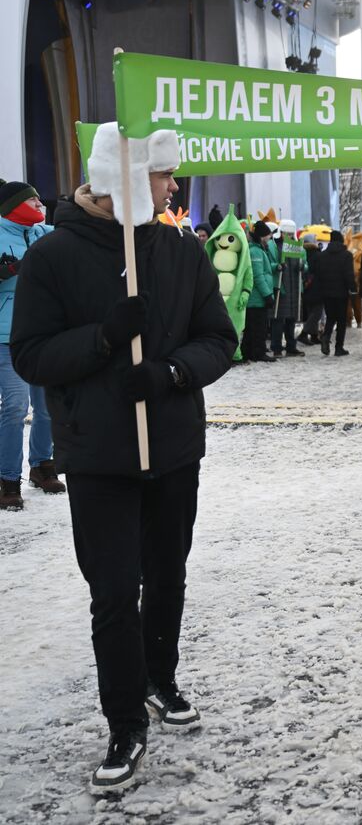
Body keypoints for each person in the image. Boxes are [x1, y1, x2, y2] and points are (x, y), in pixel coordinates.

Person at [10, 123, 237, 793]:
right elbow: (30, 353)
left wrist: (170, 372)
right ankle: (123, 719)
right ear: (126, 180)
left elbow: (218, 340)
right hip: (98, 454)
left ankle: (158, 677)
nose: (175, 186)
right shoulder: (52, 256)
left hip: (171, 447)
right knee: (113, 590)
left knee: (167, 573)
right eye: (164, 175)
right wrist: (104, 338)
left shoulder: (178, 251)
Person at [0, 181, 65, 507]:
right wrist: (9, 269)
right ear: (13, 204)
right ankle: (7, 479)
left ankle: (42, 465)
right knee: (14, 406)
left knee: (48, 405)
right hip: (6, 336)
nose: (40, 204)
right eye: (33, 199)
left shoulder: (45, 232)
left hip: (42, 332)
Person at [241, 221, 277, 363]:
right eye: (268, 235)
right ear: (262, 237)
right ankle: (258, 352)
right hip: (257, 298)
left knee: (252, 327)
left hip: (256, 298)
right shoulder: (255, 251)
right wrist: (267, 295)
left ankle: (248, 352)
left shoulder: (258, 250)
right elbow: (258, 276)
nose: (269, 238)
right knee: (258, 327)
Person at [316, 230, 355, 356]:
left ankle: (326, 337)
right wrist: (353, 288)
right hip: (341, 293)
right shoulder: (346, 255)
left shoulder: (322, 256)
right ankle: (339, 348)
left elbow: (319, 274)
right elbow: (349, 274)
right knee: (341, 320)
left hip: (326, 292)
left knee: (331, 317)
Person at [270, 219, 305, 357]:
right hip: (282, 287)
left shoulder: (297, 248)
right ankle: (276, 347)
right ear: (281, 233)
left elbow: (303, 263)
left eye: (291, 234)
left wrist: (303, 267)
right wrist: (278, 267)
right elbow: (271, 263)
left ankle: (291, 346)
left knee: (291, 319)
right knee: (278, 319)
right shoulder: (275, 247)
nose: (289, 237)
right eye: (286, 234)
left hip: (294, 287)